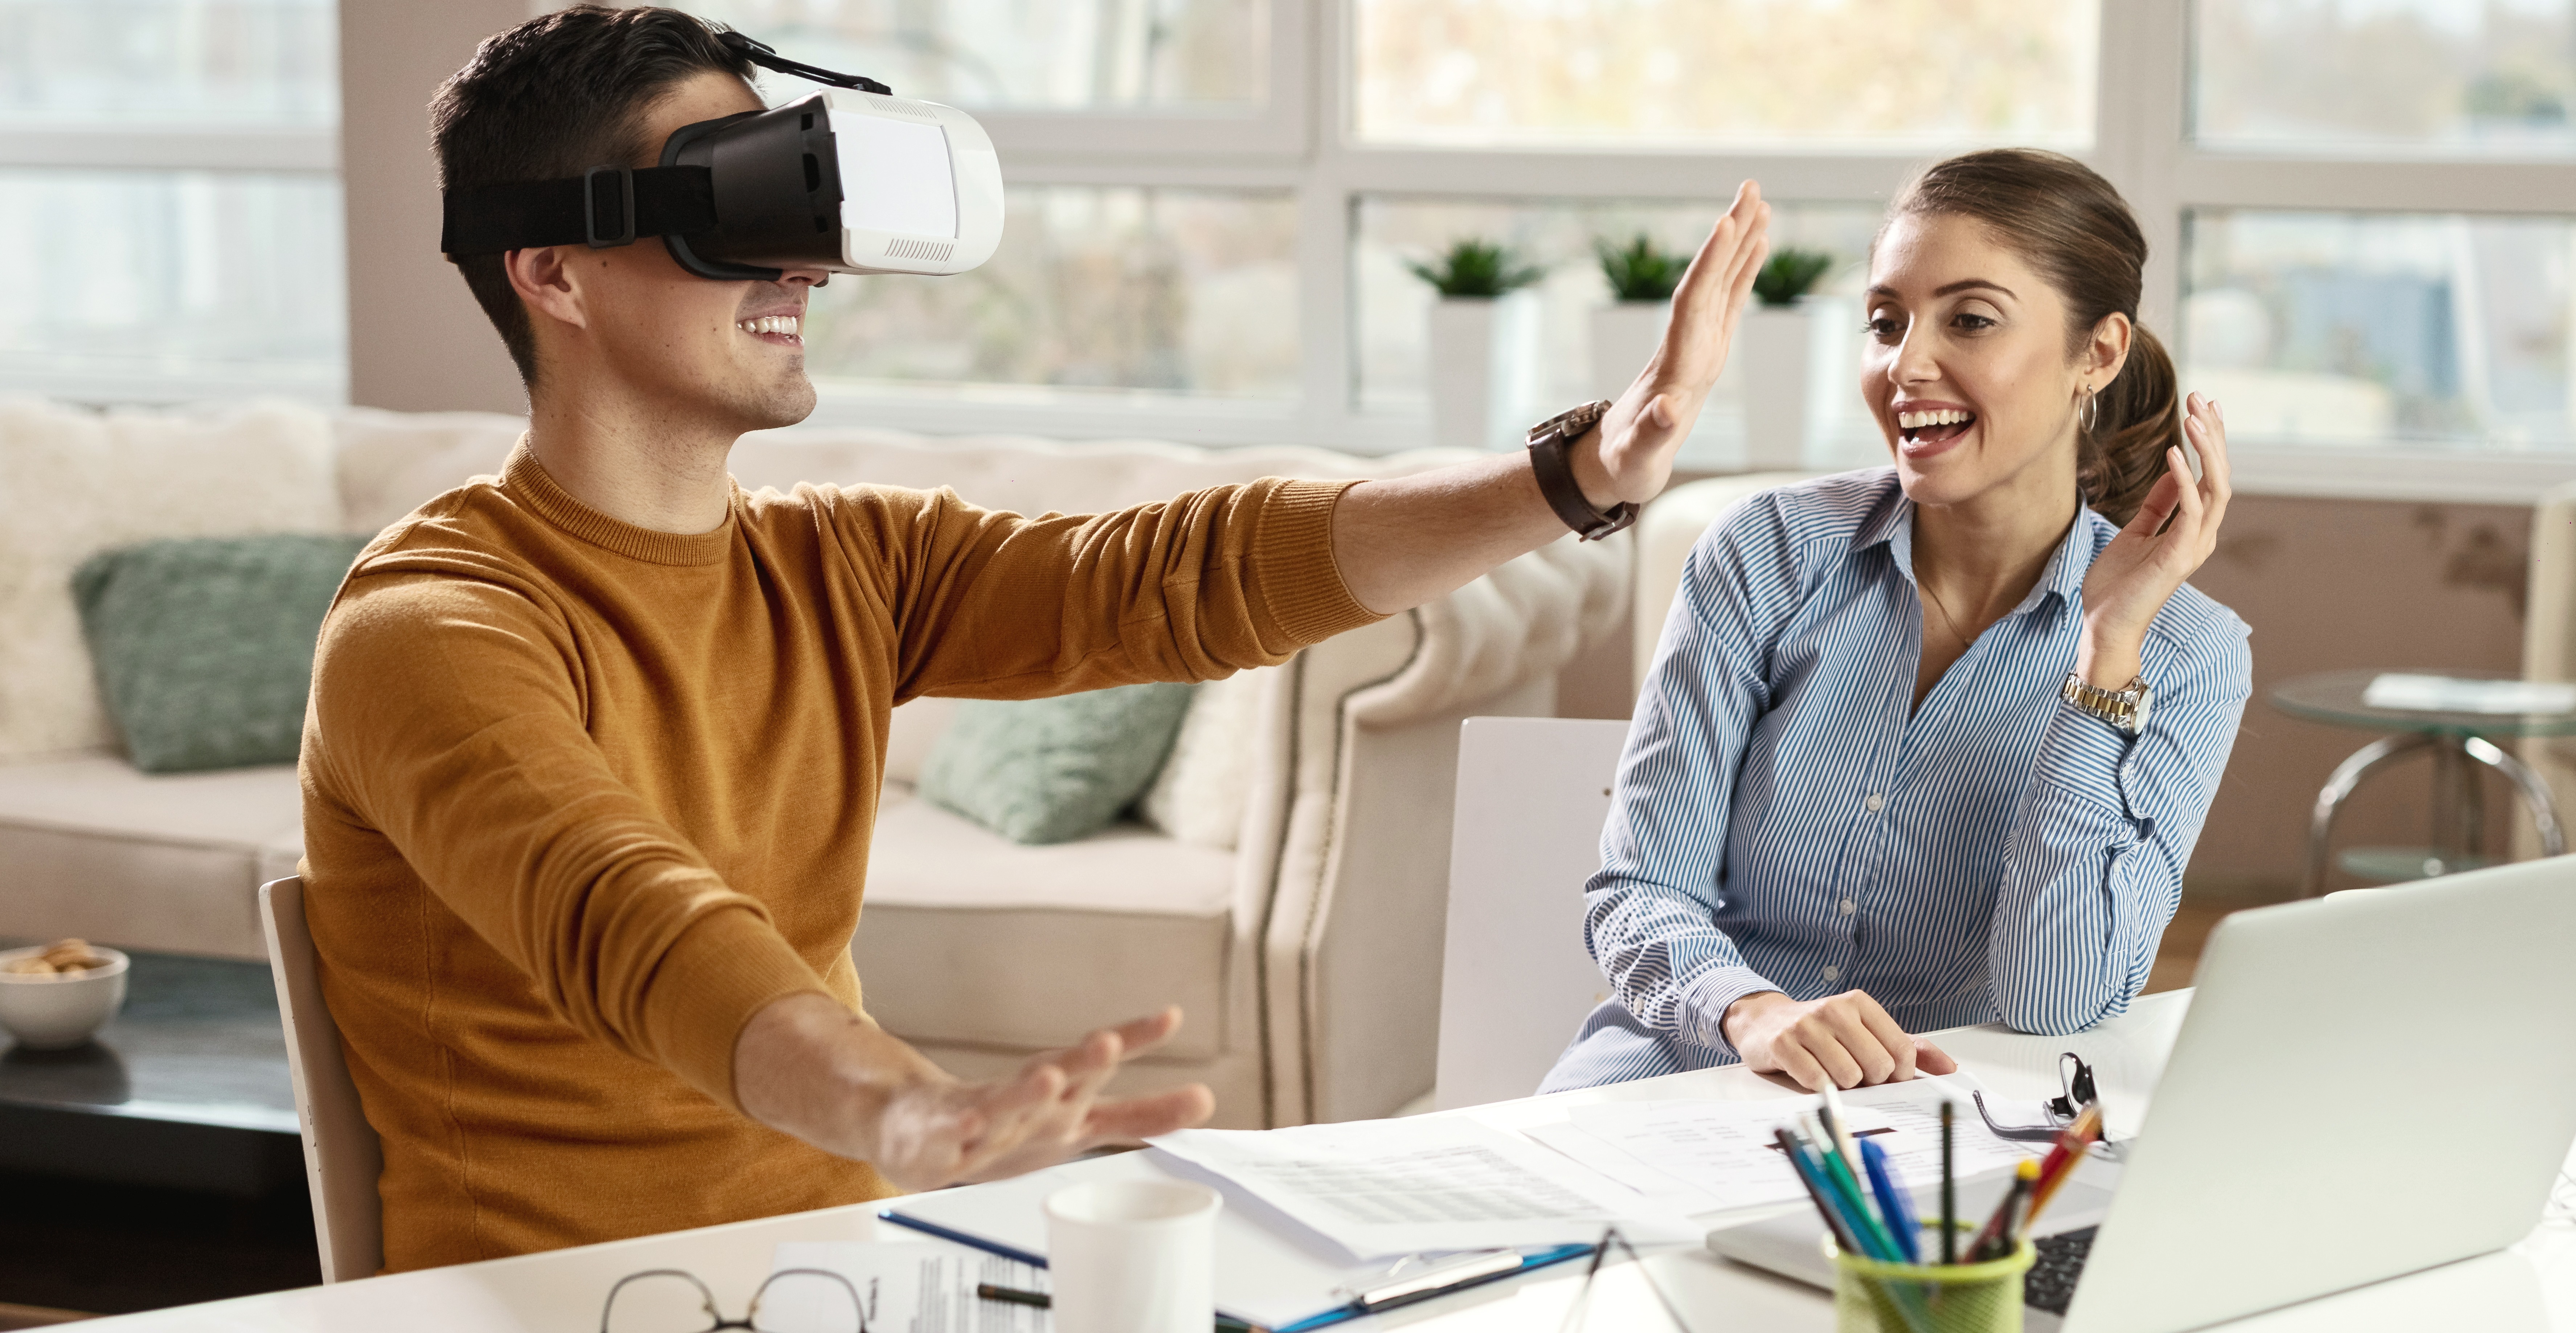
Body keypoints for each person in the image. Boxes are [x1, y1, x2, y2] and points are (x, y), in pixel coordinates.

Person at [300, 5, 1769, 1269]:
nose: (804, 266)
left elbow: (1185, 572)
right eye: (735, 206)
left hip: (842, 1275)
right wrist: (897, 1105)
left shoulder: (837, 565)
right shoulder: (432, 630)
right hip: (561, 1299)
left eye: (802, 210)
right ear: (554, 271)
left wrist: (1579, 472)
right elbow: (631, 917)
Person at [1540, 149, 2249, 1094]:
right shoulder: (1766, 553)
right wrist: (1754, 1011)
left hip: (1927, 1127)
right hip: (1682, 1077)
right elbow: (1639, 893)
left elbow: (2056, 999)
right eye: (1886, 322)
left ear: (2100, 353)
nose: (1906, 366)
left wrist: (2106, 659)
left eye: (1971, 320)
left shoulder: (2187, 652)